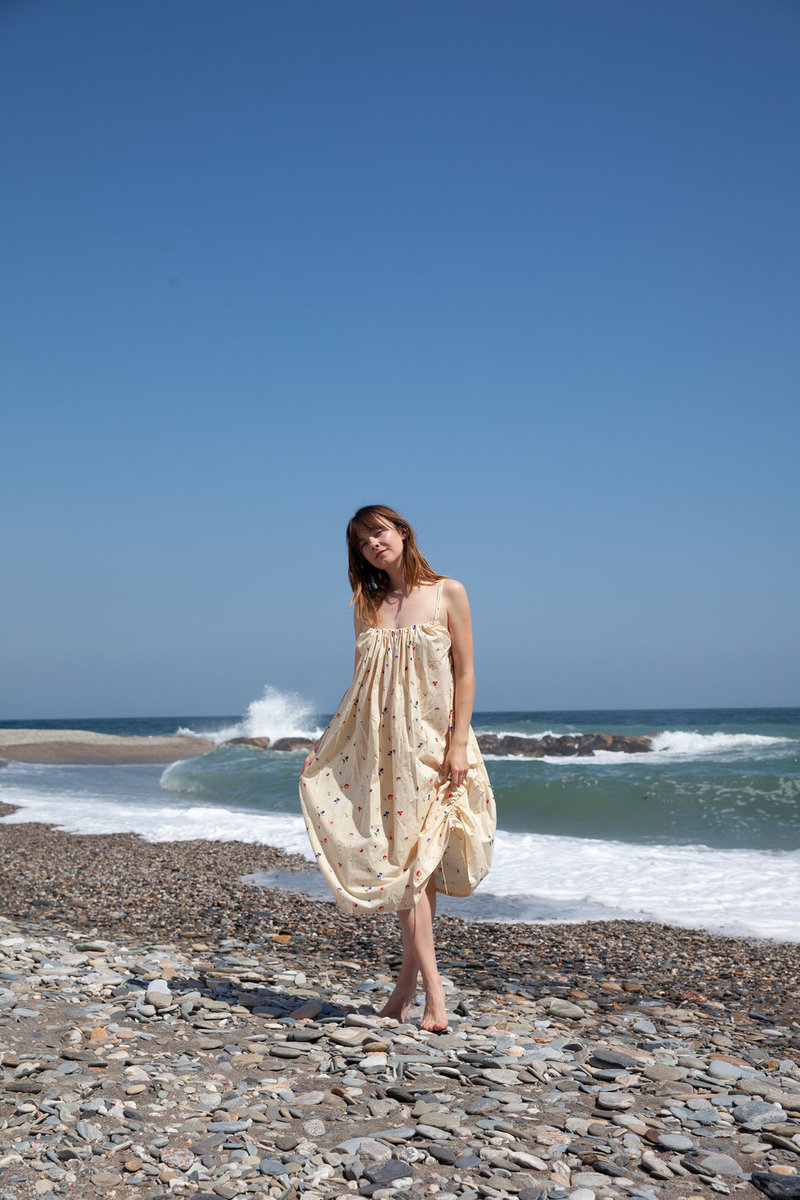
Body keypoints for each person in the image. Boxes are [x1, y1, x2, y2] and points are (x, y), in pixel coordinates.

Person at [299, 504, 495, 1031]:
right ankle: (419, 990)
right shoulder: (368, 606)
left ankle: (423, 993)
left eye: (380, 533)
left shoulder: (449, 592)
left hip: (435, 749)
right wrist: (325, 745)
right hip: (384, 754)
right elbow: (361, 688)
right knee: (410, 872)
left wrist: (458, 745)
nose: (374, 545)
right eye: (363, 542)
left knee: (418, 870)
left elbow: (466, 673)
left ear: (402, 532)